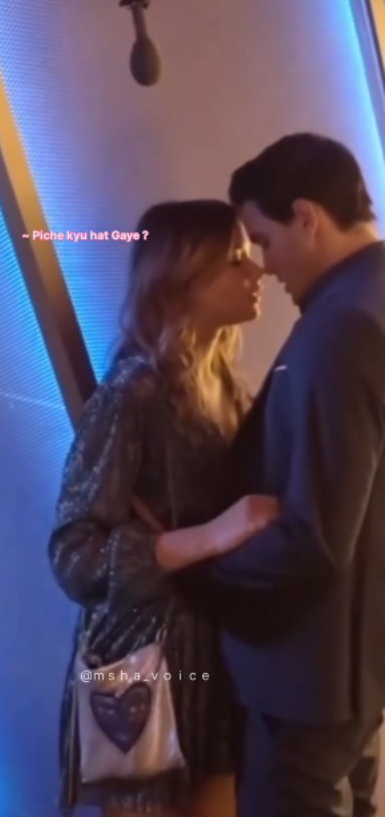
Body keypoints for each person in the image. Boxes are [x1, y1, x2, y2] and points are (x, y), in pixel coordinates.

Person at [47, 199, 279, 817]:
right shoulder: (132, 396)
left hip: (213, 667)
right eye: (234, 259)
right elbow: (74, 554)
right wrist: (208, 537)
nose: (256, 271)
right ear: (183, 276)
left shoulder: (225, 386)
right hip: (145, 666)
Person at [181, 133, 385, 817]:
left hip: (309, 669)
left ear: (307, 217)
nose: (265, 268)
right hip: (351, 662)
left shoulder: (343, 326)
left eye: (264, 242)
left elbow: (315, 534)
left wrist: (205, 562)